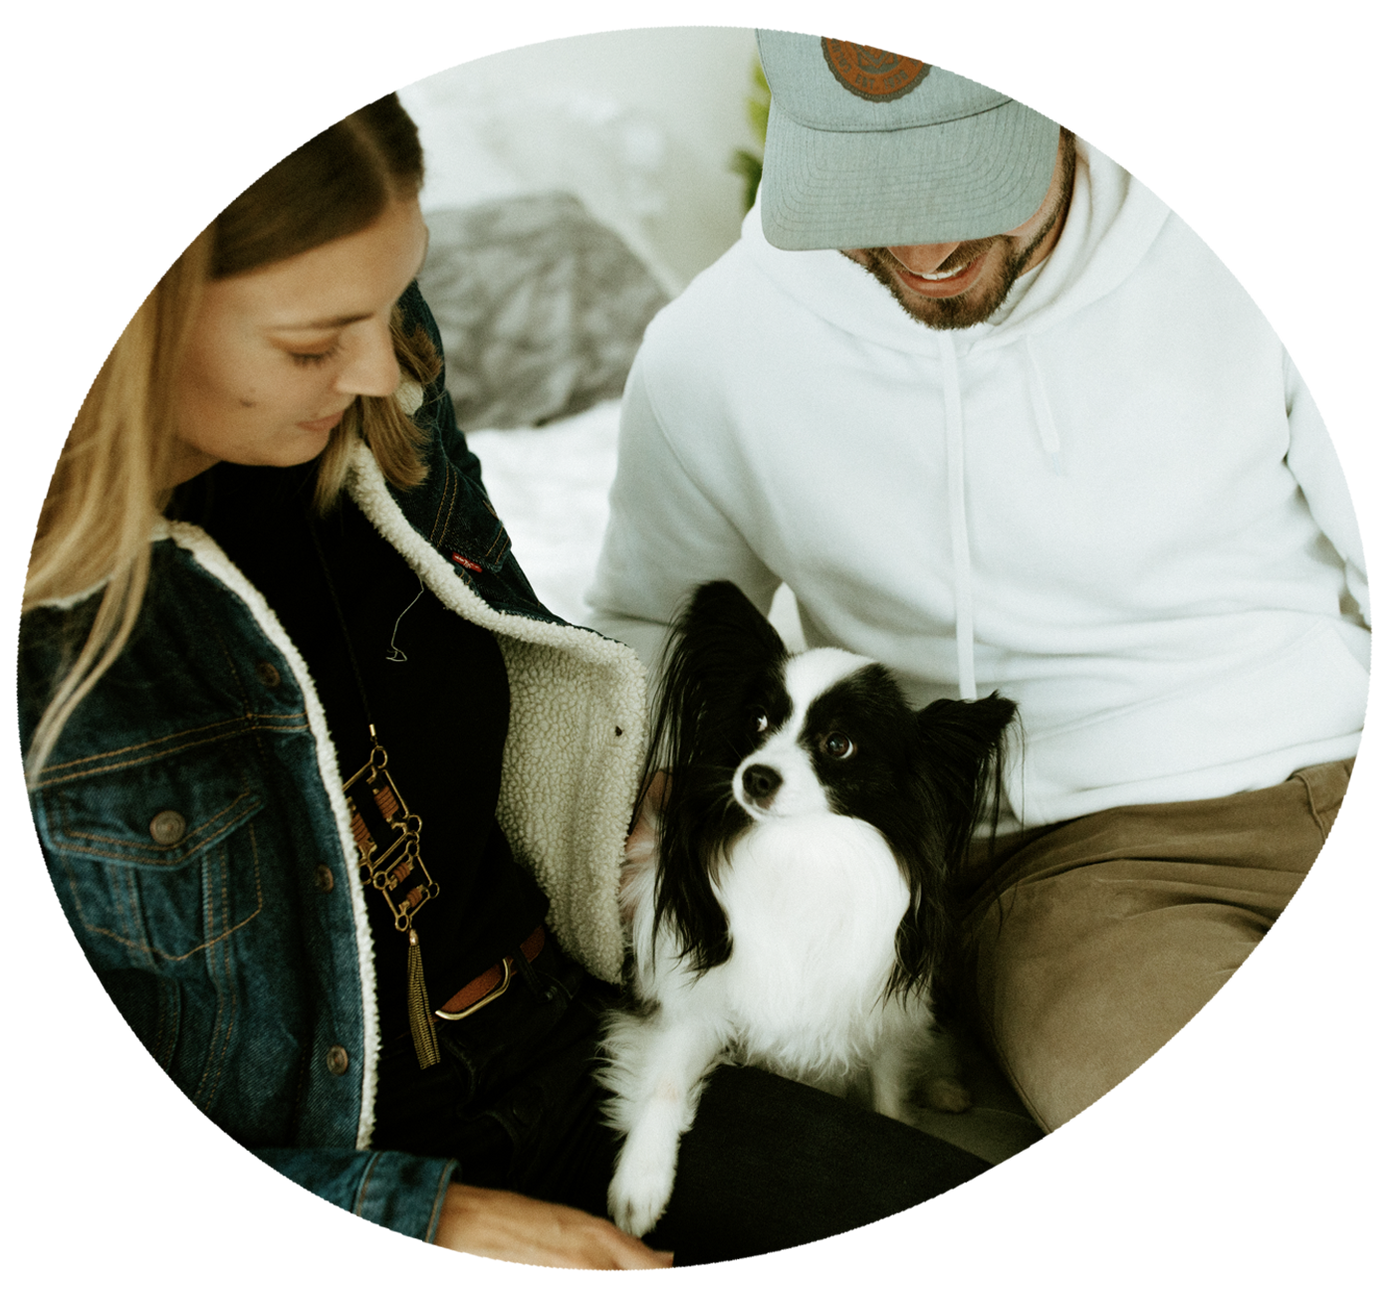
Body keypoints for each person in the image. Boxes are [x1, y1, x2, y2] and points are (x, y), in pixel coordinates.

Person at [17, 89, 999, 1272]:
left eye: (400, 302)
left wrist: (631, 812)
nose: (385, 367)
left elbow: (531, 673)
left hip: (564, 1039)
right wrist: (426, 1215)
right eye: (314, 341)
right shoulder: (48, 654)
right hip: (349, 1156)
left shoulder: (381, 394)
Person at [586, 30, 1371, 1137]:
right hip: (1081, 867)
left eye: (966, 179)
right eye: (871, 195)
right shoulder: (714, 351)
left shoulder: (1210, 269)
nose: (926, 243)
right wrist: (655, 803)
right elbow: (642, 627)